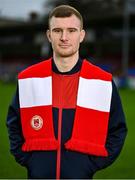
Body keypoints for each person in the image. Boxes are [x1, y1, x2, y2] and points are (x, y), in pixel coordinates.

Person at [7, 5, 127, 179]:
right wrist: (30, 160)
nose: (64, 37)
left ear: (82, 35)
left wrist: (90, 165)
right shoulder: (29, 79)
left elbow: (118, 130)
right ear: (49, 35)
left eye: (71, 30)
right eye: (57, 31)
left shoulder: (102, 81)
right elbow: (13, 124)